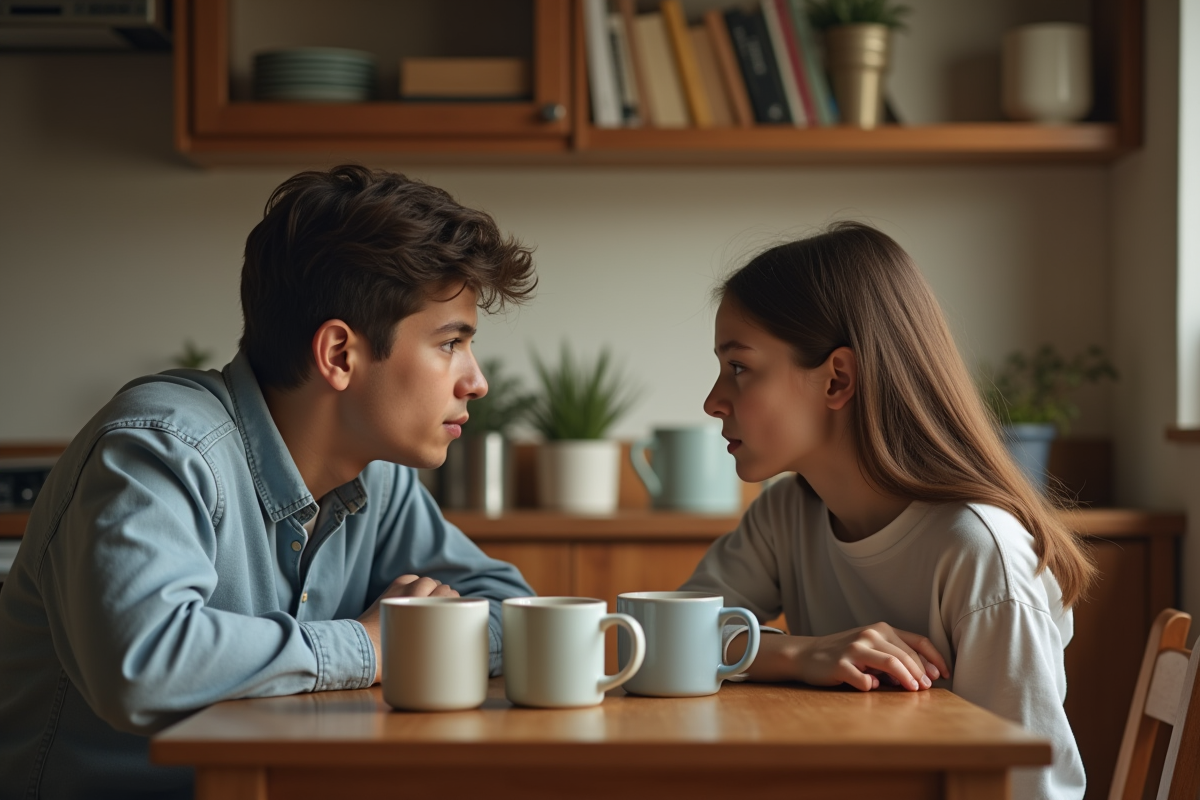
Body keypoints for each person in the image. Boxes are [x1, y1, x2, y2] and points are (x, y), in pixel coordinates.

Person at [0, 165, 538, 800]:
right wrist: (372, 645)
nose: (477, 381)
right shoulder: (161, 449)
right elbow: (143, 663)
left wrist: (422, 636)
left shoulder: (377, 475)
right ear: (339, 354)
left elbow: (516, 616)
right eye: (450, 344)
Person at [681, 221, 1090, 799]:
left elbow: (1030, 788)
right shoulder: (785, 515)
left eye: (739, 368)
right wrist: (802, 654)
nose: (712, 401)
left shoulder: (981, 555)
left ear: (837, 379)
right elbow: (656, 641)